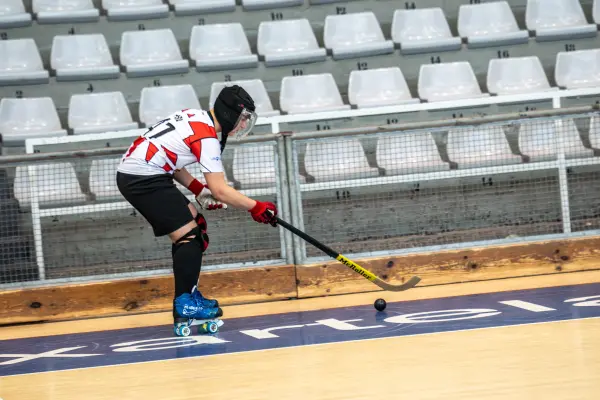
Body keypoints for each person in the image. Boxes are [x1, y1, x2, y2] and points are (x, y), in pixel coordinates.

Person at [116, 85, 278, 336]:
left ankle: (187, 297)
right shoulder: (207, 137)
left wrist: (197, 188)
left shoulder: (195, 117)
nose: (244, 125)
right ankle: (185, 303)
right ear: (230, 114)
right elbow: (221, 190)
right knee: (189, 236)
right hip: (143, 178)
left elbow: (173, 158)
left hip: (146, 173)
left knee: (195, 227)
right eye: (243, 118)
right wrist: (256, 207)